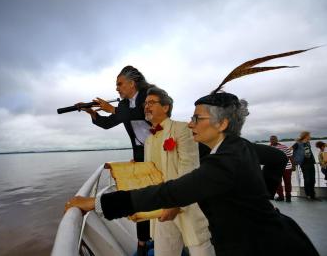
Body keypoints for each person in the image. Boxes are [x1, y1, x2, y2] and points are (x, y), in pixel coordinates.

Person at [66, 48, 320, 256]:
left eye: (197, 118)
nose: (189, 124)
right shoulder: (239, 148)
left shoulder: (222, 161)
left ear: (222, 124)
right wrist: (262, 200)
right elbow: (277, 158)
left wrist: (96, 203)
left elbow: (171, 191)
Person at [78, 65, 153, 255]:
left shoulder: (150, 95)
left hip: (161, 151)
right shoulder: (125, 105)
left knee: (161, 192)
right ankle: (143, 242)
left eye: (119, 84)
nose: (117, 88)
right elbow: (109, 123)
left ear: (132, 83)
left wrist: (112, 108)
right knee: (140, 195)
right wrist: (93, 113)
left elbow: (144, 114)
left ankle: (165, 233)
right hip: (141, 153)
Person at [143, 87, 214, 256]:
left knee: (200, 249)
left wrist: (175, 202)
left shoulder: (182, 129)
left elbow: (189, 168)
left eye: (151, 102)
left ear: (165, 107)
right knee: (164, 252)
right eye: (145, 103)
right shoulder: (148, 139)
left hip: (186, 202)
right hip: (161, 204)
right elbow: (150, 171)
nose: (146, 106)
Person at [292, 131, 319, 200]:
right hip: (304, 164)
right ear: (305, 136)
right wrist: (295, 160)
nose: (310, 137)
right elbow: (289, 150)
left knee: (313, 179)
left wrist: (314, 160)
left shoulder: (308, 143)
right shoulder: (298, 144)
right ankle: (308, 195)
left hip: (311, 163)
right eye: (309, 135)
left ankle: (313, 195)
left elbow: (309, 152)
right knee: (307, 179)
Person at [269, 135, 295, 202]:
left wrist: (293, 165)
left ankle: (288, 197)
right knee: (277, 183)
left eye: (274, 139)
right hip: (276, 169)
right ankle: (281, 197)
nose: (272, 140)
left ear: (277, 140)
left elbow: (290, 156)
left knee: (288, 183)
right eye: (271, 139)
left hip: (287, 168)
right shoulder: (269, 148)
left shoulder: (284, 147)